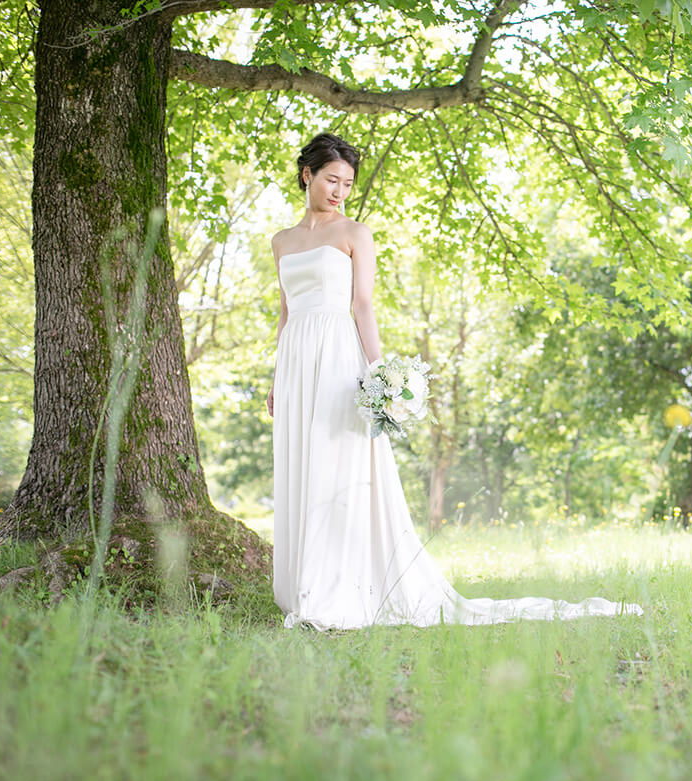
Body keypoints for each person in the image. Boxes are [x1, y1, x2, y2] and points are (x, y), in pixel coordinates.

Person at [268, 132, 643, 629]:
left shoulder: (355, 234)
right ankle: (302, 585)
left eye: (348, 183)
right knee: (302, 462)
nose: (340, 191)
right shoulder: (282, 242)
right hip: (297, 362)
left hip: (339, 357)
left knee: (338, 463)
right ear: (307, 175)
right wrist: (275, 377)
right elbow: (286, 311)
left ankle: (339, 586)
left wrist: (380, 375)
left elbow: (363, 306)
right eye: (332, 180)